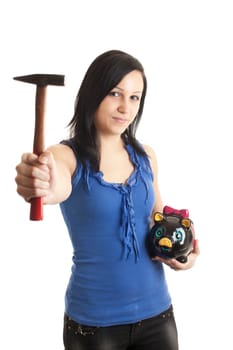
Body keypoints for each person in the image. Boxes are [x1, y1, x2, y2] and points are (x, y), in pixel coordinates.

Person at [15, 49, 200, 350]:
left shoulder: (146, 156)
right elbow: (54, 180)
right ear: (93, 93)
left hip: (158, 318)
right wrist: (39, 181)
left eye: (135, 97)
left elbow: (158, 221)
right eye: (116, 93)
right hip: (93, 328)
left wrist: (183, 254)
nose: (125, 107)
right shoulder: (66, 156)